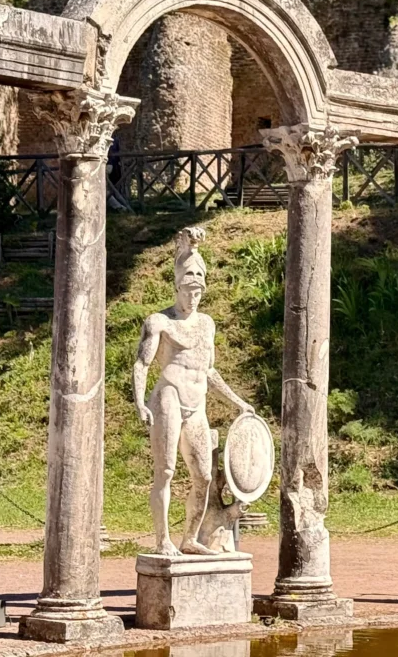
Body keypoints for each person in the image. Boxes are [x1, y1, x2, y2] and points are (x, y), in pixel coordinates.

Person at [133, 227, 256, 556]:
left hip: (196, 403)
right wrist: (141, 402)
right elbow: (142, 363)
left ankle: (190, 538)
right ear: (177, 286)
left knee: (203, 476)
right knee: (167, 471)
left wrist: (238, 402)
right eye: (188, 289)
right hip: (169, 395)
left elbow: (209, 370)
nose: (193, 296)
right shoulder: (158, 322)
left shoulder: (207, 324)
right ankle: (162, 540)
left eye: (198, 290)